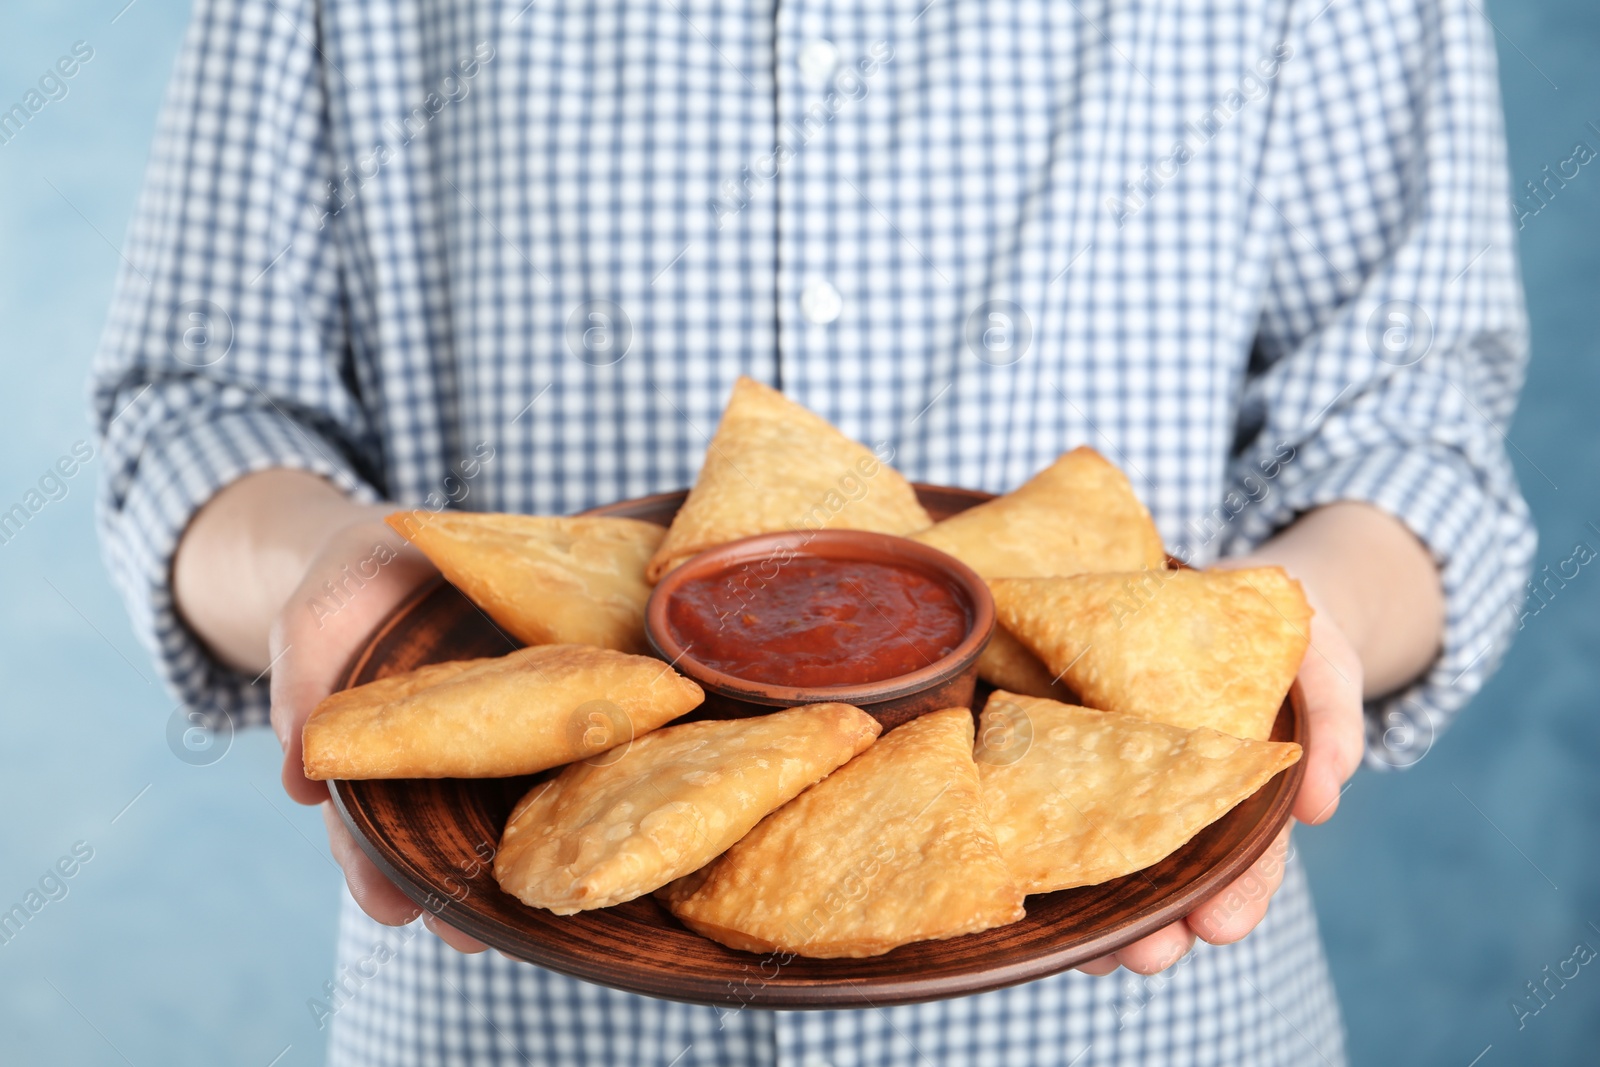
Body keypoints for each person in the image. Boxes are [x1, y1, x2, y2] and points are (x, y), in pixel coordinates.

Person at [91, 0, 1533, 1063]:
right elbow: (204, 407)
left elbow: (1406, 436)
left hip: (1145, 1008)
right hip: (506, 1002)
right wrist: (329, 577)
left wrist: (1297, 618)